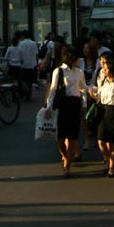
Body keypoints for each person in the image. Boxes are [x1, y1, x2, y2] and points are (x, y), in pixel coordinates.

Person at [46, 45, 87, 177]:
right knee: (60, 139)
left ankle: (67, 165)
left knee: (72, 137)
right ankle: (65, 156)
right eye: (77, 58)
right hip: (63, 105)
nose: (79, 60)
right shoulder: (59, 71)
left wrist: (85, 103)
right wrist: (49, 106)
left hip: (75, 104)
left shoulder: (79, 72)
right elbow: (53, 90)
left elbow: (83, 88)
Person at [87, 53, 114, 176]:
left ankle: (112, 166)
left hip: (113, 112)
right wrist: (93, 94)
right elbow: (99, 96)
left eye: (106, 68)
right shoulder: (103, 83)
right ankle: (108, 160)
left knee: (112, 143)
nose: (103, 70)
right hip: (102, 112)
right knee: (101, 142)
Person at [17, 31, 39, 99]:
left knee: (24, 79)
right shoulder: (33, 43)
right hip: (32, 64)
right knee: (30, 79)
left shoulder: (21, 43)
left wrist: (20, 61)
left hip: (23, 64)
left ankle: (26, 91)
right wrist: (36, 63)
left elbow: (19, 53)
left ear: (23, 36)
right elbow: (36, 54)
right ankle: (29, 93)